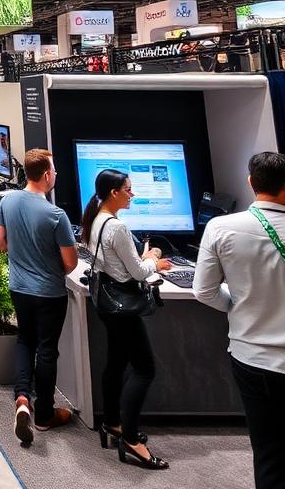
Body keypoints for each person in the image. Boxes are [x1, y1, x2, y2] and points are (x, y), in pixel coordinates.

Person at [194, 151, 285, 489]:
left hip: (251, 359)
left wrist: (240, 306)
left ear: (251, 183)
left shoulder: (220, 228)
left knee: (269, 454)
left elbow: (203, 291)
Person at [82, 169, 172, 469]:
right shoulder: (116, 227)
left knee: (117, 362)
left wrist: (143, 259)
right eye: (128, 189)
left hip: (107, 303)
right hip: (122, 306)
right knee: (144, 369)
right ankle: (131, 439)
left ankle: (112, 422)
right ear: (113, 193)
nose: (132, 194)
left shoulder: (96, 219)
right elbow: (137, 273)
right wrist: (154, 260)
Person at [0, 149, 78, 446]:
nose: (55, 175)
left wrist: (22, 252)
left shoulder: (7, 200)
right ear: (45, 175)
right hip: (50, 293)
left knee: (25, 341)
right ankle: (43, 415)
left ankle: (22, 399)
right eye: (54, 170)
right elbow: (70, 263)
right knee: (47, 350)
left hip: (19, 287)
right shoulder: (56, 215)